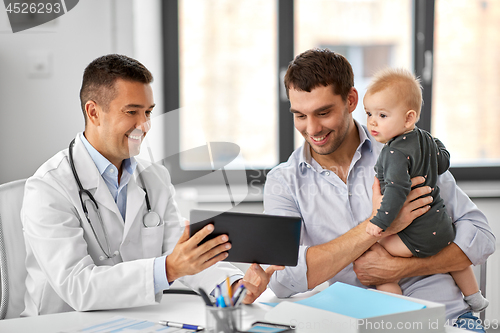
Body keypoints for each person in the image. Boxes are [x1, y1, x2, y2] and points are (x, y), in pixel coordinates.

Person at [20, 54, 275, 316]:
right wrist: (168, 269)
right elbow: (78, 287)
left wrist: (234, 287)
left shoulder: (154, 178)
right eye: (132, 112)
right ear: (94, 112)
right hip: (60, 323)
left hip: (134, 318)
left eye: (148, 112)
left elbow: (181, 250)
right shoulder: (47, 188)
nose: (144, 125)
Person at [261, 48, 495, 331]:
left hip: (444, 320)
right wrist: (377, 225)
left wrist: (403, 268)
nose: (312, 129)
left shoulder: (405, 148)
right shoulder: (284, 182)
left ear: (351, 100)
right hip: (359, 325)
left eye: (323, 113)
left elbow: (482, 237)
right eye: (300, 115)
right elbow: (282, 278)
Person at [363, 67, 489, 312]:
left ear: (409, 117)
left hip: (417, 238)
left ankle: (398, 311)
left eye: (382, 115)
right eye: (369, 113)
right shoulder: (425, 139)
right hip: (441, 228)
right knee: (456, 260)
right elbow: (443, 161)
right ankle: (474, 297)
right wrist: (435, 144)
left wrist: (379, 222)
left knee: (377, 255)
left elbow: (397, 191)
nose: (372, 122)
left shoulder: (393, 152)